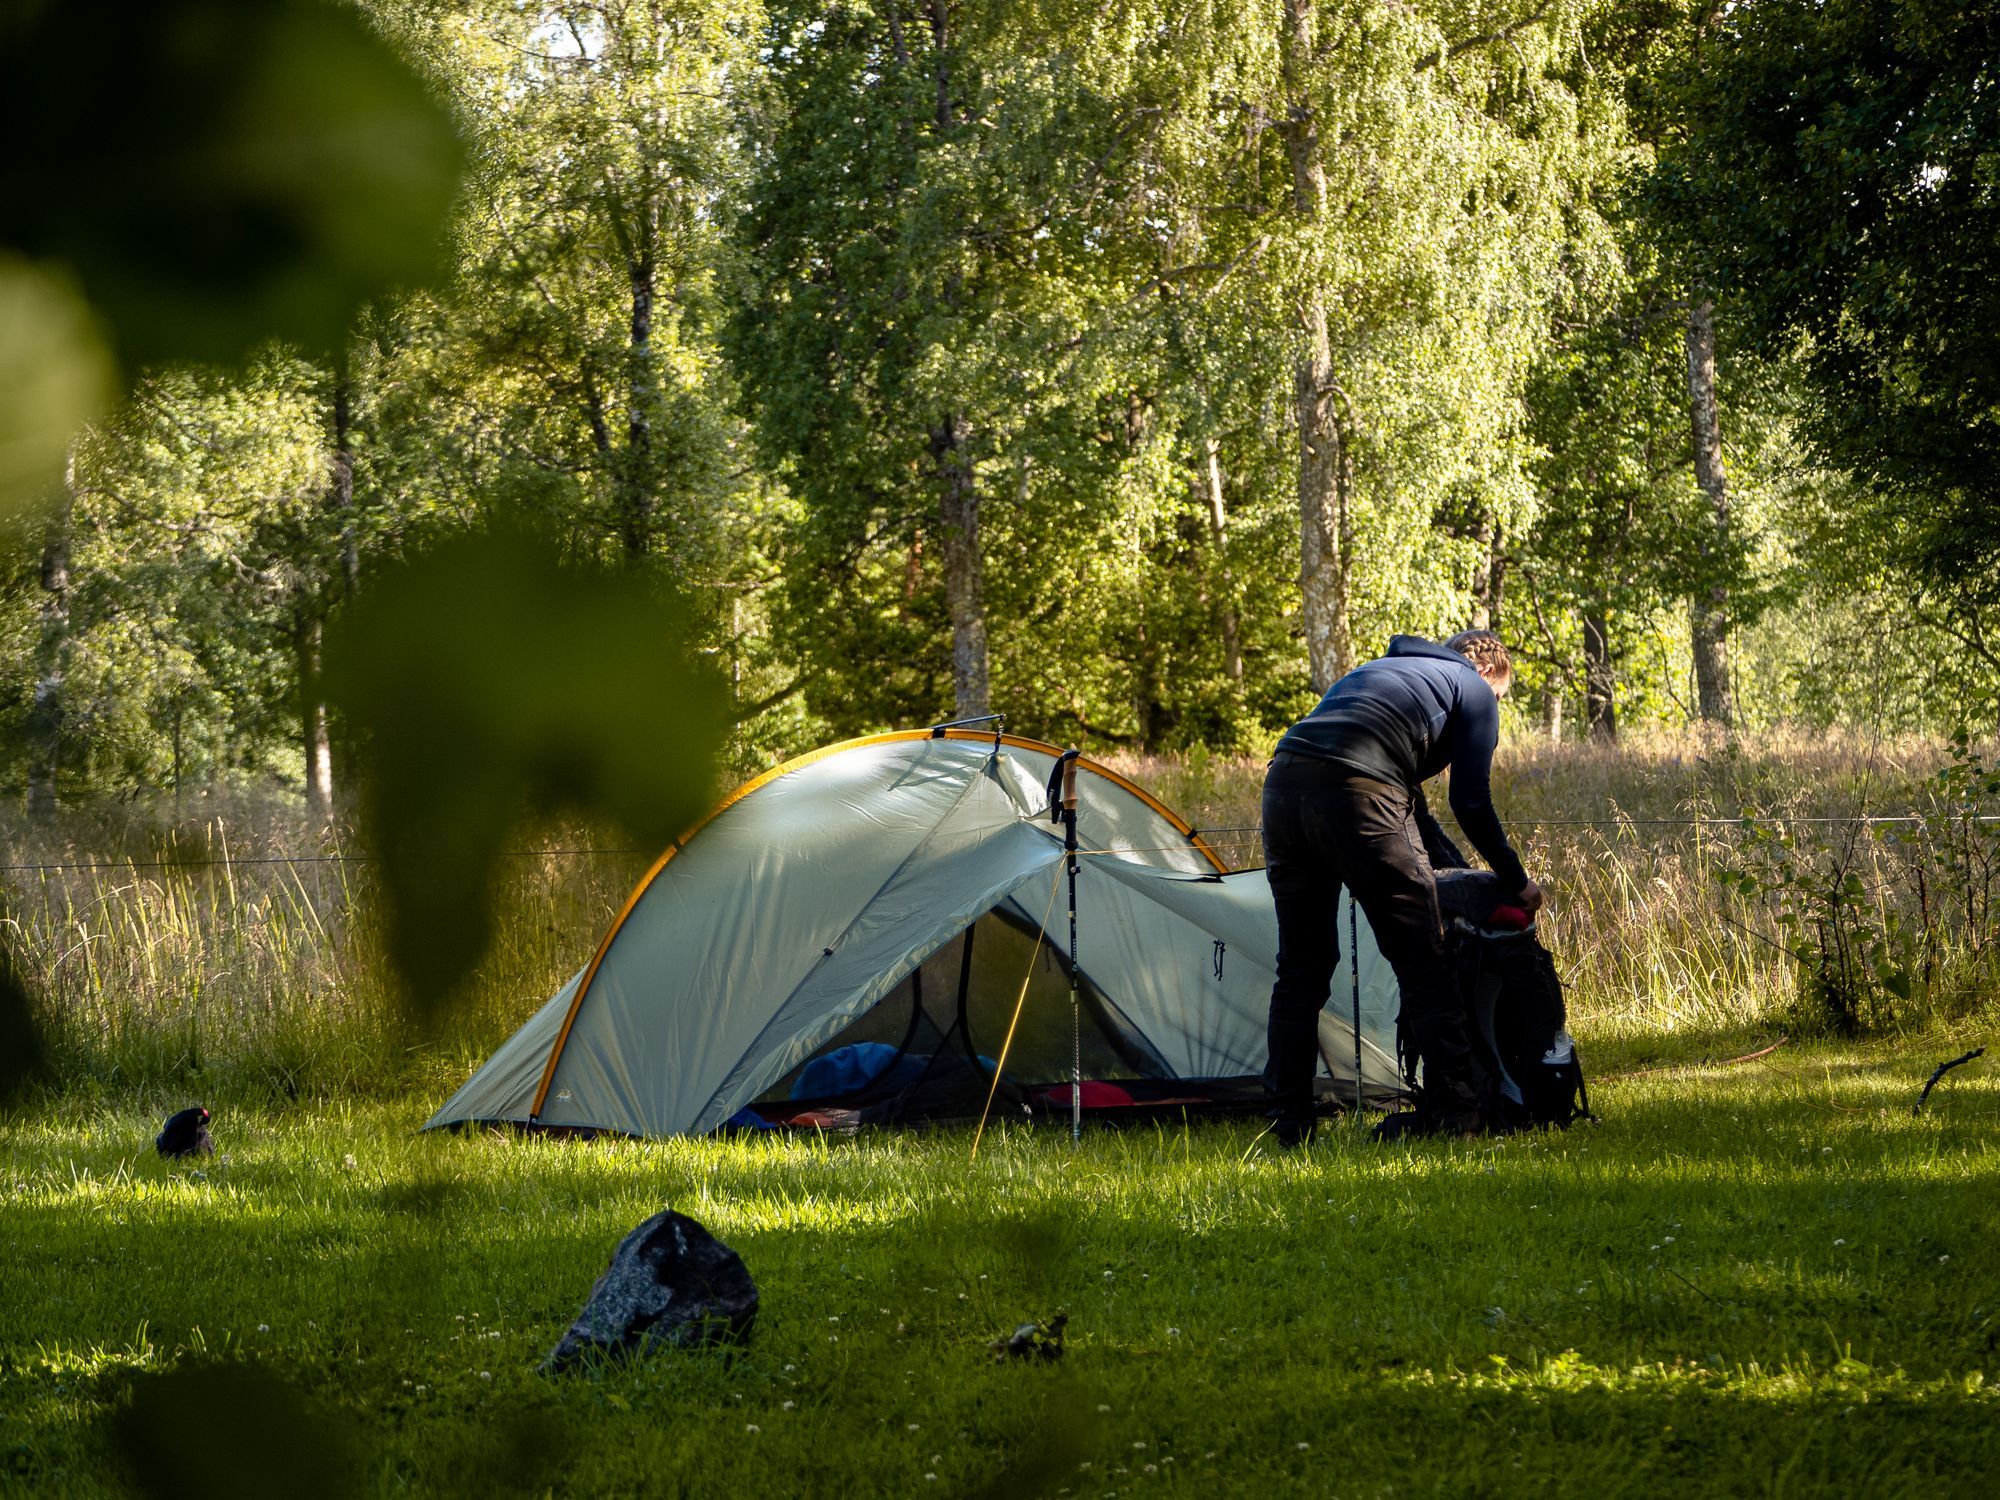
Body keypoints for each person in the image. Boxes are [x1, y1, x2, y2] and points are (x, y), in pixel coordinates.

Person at [1262, 630, 1541, 1144]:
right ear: (1487, 674)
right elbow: (1471, 801)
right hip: (1358, 788)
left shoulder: (1376, 674)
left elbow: (1415, 814)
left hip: (1282, 785)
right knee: (1422, 958)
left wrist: (1461, 877)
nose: (1494, 707)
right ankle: (1456, 1115)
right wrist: (1515, 881)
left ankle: (1287, 1123)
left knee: (1301, 967)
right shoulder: (1472, 688)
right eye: (1501, 697)